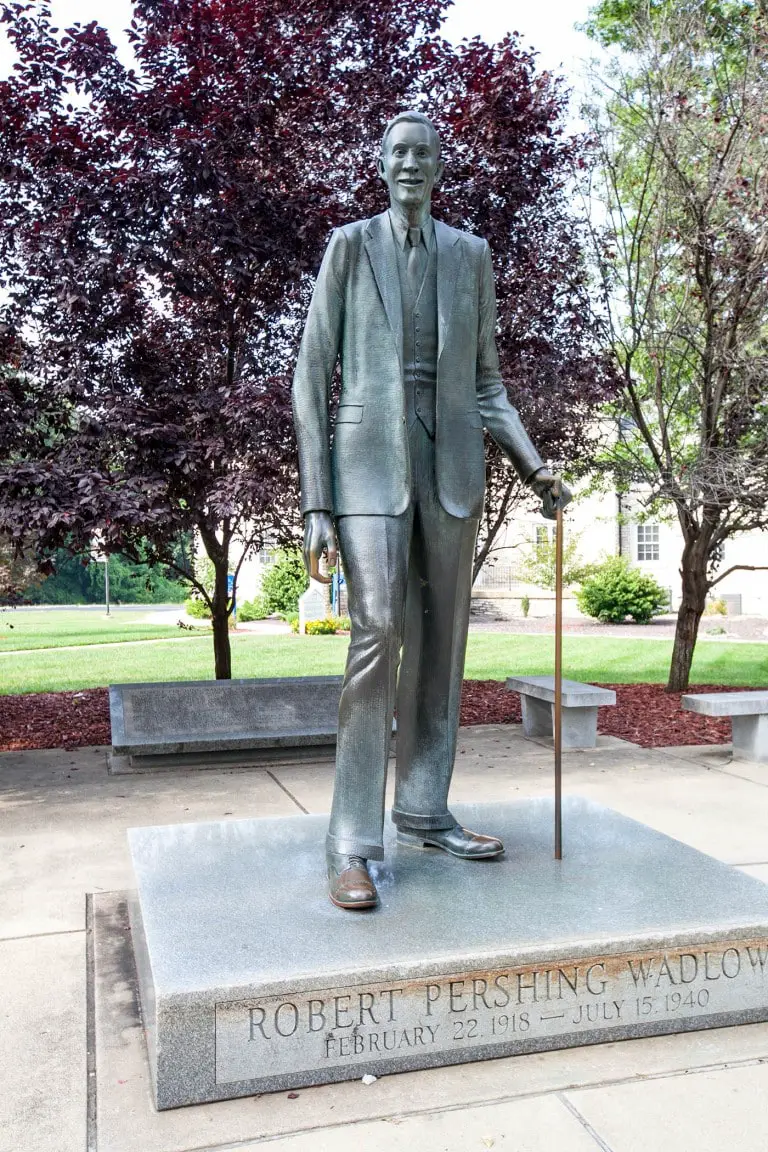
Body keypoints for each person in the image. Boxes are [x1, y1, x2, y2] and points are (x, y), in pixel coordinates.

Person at [292, 111, 570, 910]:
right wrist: (317, 502)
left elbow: (487, 385)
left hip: (449, 471)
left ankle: (423, 807)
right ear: (381, 165)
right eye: (398, 152)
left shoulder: (470, 255)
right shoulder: (349, 245)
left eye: (424, 153)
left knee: (443, 645)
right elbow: (313, 377)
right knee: (378, 630)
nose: (411, 163)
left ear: (440, 167)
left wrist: (536, 464)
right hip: (367, 471)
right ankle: (351, 839)